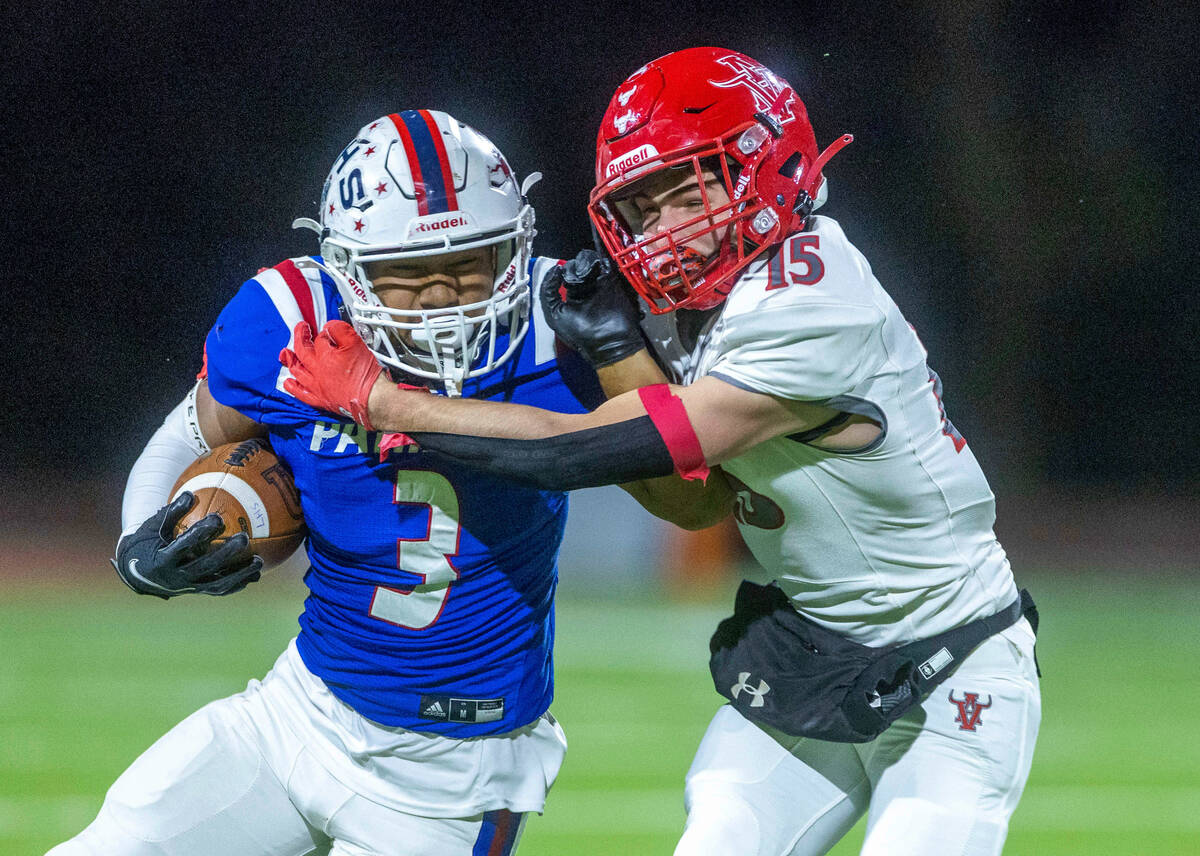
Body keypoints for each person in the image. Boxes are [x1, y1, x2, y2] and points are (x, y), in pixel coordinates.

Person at [281, 49, 1042, 856]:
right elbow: (693, 489)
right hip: (818, 650)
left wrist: (389, 404)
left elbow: (588, 454)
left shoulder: (815, 302)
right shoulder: (715, 297)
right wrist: (618, 346)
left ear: (767, 163)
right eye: (642, 208)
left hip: (951, 666)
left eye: (688, 191)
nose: (664, 229)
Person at [50, 110, 653, 856]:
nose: (442, 298)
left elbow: (686, 490)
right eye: (407, 271)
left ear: (517, 246)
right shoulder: (290, 319)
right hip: (303, 711)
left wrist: (626, 356)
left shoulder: (564, 325)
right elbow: (193, 430)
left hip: (456, 771)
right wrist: (138, 536)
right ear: (348, 266)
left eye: (472, 261)